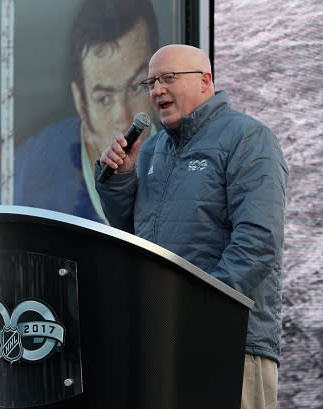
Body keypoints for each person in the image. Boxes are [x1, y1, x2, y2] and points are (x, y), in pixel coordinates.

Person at [96, 44, 288, 409]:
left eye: (169, 78)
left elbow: (258, 240)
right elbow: (131, 238)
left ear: (206, 81)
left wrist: (203, 310)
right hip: (162, 341)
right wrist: (119, 179)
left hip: (231, 342)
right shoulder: (149, 151)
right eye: (151, 82)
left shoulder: (248, 139)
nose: (157, 90)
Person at [0, 0, 158, 223]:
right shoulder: (35, 168)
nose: (124, 117)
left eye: (136, 87)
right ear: (80, 102)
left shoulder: (184, 149)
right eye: (104, 99)